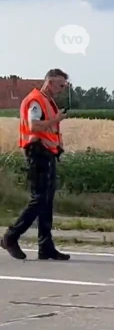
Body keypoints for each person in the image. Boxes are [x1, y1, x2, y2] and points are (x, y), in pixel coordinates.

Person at [1, 69, 71, 261]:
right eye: (60, 85)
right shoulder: (36, 101)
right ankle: (11, 236)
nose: (62, 89)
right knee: (39, 199)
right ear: (50, 83)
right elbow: (34, 126)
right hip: (37, 152)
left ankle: (45, 246)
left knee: (46, 200)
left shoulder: (47, 101)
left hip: (47, 152)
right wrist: (56, 120)